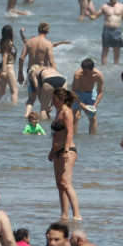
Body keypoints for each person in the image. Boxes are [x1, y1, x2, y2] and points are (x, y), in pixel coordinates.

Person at [49, 87, 81, 220]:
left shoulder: (67, 112)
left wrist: (66, 150)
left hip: (67, 151)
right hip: (57, 152)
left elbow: (70, 132)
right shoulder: (58, 112)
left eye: (55, 99)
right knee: (60, 185)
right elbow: (56, 134)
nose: (53, 101)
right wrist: (52, 150)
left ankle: (77, 214)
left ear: (61, 99)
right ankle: (64, 215)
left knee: (66, 183)